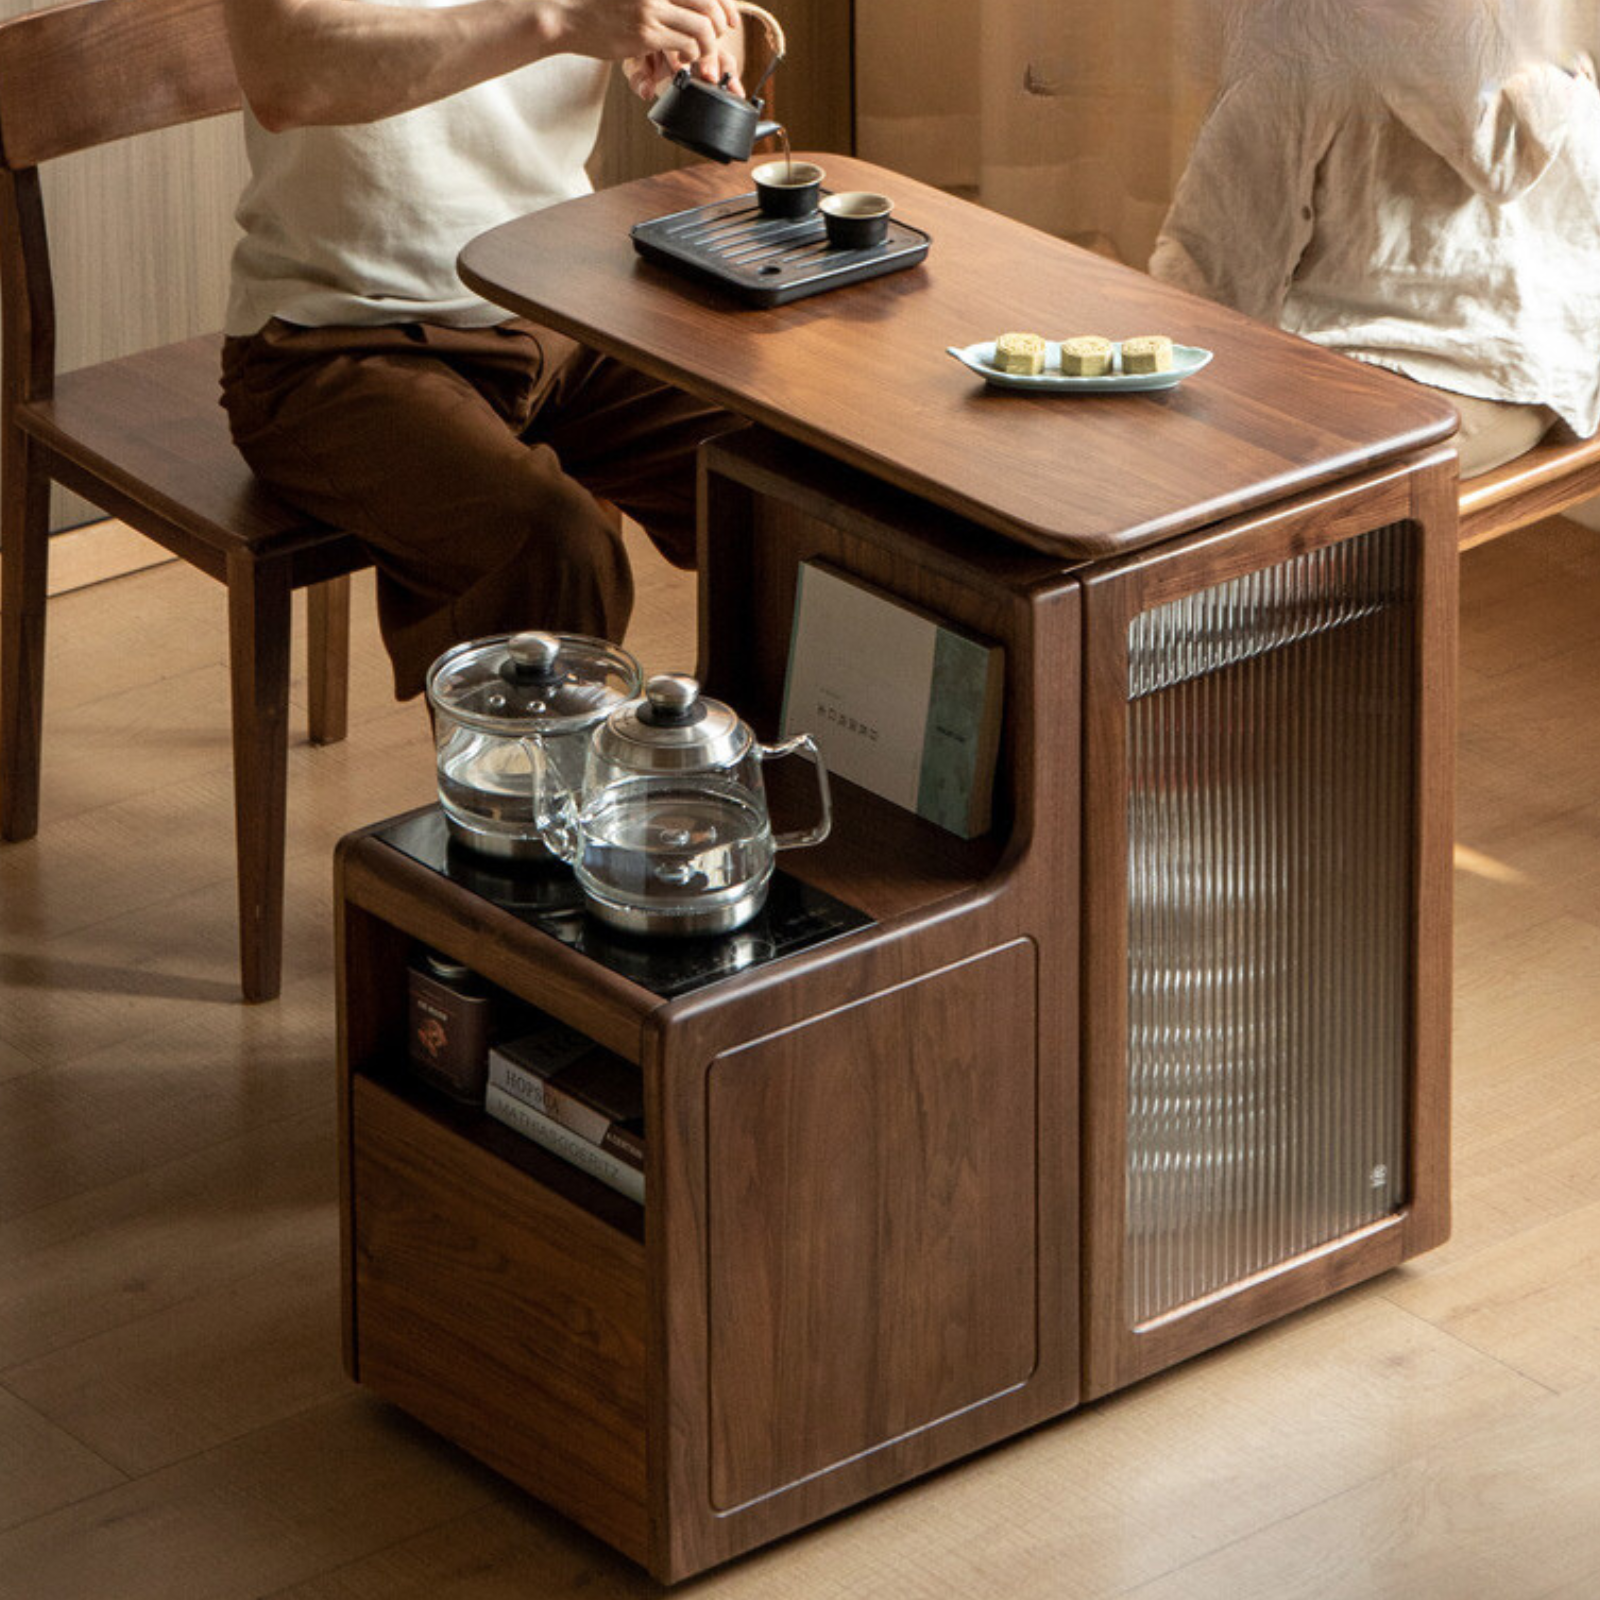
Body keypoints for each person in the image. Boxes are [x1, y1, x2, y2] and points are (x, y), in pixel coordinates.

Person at [218, 0, 749, 700]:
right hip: (331, 340)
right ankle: (532, 811)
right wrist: (558, 19)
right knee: (552, 547)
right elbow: (286, 77)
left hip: (559, 304)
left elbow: (727, 20)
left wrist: (699, 43)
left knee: (783, 472)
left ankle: (785, 788)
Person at [1149, 0, 1600, 484]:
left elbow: (1217, 266)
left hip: (1436, 380)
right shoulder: (1547, 57)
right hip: (1524, 367)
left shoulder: (1310, 53)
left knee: (1239, 473)